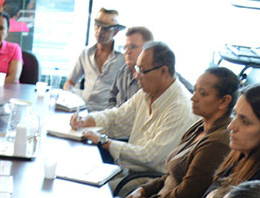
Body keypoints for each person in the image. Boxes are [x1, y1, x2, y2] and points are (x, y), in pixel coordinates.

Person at [120, 67, 238, 198]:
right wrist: (142, 190)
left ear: (224, 101)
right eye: (195, 90)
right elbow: (172, 174)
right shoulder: (200, 126)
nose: (193, 98)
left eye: (202, 93)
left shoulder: (218, 142)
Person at [71, 41, 197, 174]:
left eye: (142, 71)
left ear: (163, 71)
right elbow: (117, 117)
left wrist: (104, 142)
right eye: (137, 69)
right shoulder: (146, 93)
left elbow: (149, 157)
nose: (136, 76)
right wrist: (87, 120)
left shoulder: (180, 108)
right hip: (127, 170)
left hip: (147, 180)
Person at [62, 8, 125, 111]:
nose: (99, 31)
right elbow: (70, 82)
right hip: (83, 110)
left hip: (108, 115)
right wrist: (67, 99)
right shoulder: (86, 53)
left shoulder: (123, 58)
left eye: (105, 29)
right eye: (97, 25)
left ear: (115, 32)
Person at [108, 26, 153, 108]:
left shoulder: (156, 76)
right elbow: (112, 98)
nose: (127, 52)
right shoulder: (123, 71)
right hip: (117, 115)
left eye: (132, 47)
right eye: (125, 47)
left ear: (148, 48)